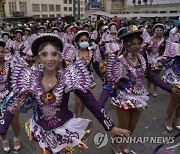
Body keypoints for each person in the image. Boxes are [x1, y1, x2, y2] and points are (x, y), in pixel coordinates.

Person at [0, 33, 130, 154]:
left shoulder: (70, 76)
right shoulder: (30, 78)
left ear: (60, 56)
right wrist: (2, 127)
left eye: (54, 54)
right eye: (45, 54)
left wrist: (110, 127)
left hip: (64, 128)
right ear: (38, 58)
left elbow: (90, 102)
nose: (50, 59)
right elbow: (14, 105)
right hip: (40, 128)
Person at [102, 25, 180, 154]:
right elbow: (109, 84)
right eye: (133, 44)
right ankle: (115, 144)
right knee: (123, 127)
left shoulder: (142, 58)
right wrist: (99, 105)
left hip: (139, 96)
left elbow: (151, 76)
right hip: (123, 97)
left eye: (139, 43)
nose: (137, 46)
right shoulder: (118, 61)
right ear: (125, 45)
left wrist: (169, 88)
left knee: (132, 127)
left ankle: (125, 145)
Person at [62, 30, 102, 118]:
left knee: (85, 100)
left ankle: (81, 116)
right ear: (77, 42)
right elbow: (67, 65)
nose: (84, 42)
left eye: (86, 40)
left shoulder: (91, 52)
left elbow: (96, 66)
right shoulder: (73, 53)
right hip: (77, 79)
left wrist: (102, 77)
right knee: (77, 101)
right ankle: (76, 117)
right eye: (82, 41)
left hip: (88, 79)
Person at [0, 40, 21, 152]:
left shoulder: (10, 64)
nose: (0, 54)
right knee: (1, 121)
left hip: (12, 96)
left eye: (2, 52)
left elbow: (17, 78)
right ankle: (4, 140)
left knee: (14, 121)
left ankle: (16, 138)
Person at [159, 41, 180, 131]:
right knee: (174, 101)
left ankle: (177, 119)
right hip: (175, 78)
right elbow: (165, 62)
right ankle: (168, 119)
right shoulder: (174, 46)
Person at [145, 23, 166, 96]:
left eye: (161, 30)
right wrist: (148, 48)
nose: (159, 31)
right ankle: (148, 89)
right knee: (148, 74)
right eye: (157, 30)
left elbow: (166, 50)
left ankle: (155, 89)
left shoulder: (164, 40)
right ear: (154, 31)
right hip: (149, 58)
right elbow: (145, 48)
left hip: (158, 58)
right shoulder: (149, 39)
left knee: (156, 75)